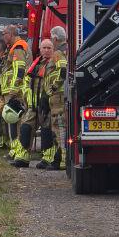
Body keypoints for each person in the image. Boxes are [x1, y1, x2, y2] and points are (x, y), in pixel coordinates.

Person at [11, 37, 50, 168]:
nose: (46, 50)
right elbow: (26, 82)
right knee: (25, 128)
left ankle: (48, 159)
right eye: (44, 48)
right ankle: (22, 157)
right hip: (32, 105)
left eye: (49, 48)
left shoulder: (55, 65)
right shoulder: (36, 64)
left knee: (47, 132)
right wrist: (27, 97)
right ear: (40, 49)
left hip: (47, 107)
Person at [37, 27, 69, 170]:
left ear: (55, 39)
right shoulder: (65, 49)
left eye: (51, 38)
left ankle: (63, 160)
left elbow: (63, 71)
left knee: (59, 127)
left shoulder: (57, 53)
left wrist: (52, 89)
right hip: (60, 96)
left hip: (58, 97)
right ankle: (61, 158)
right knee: (60, 127)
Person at [0, 25, 30, 160]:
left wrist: (14, 89)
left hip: (16, 91)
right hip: (12, 90)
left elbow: (20, 69)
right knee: (12, 120)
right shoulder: (14, 47)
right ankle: (15, 149)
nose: (2, 36)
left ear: (10, 34)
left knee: (14, 120)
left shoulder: (18, 48)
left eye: (4, 33)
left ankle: (16, 150)